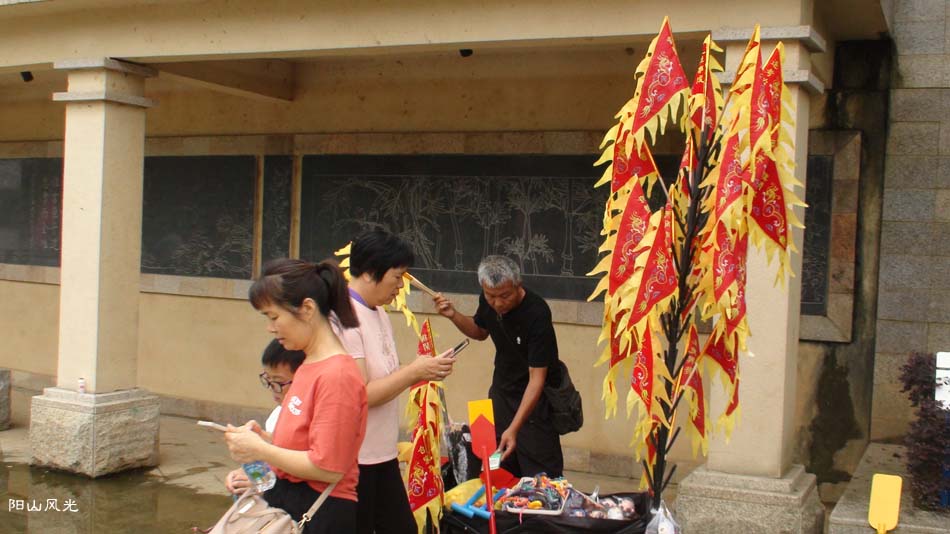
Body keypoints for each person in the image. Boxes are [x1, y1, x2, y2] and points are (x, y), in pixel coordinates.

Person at [224, 258, 367, 534]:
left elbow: (328, 467)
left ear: (307, 309)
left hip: (318, 513)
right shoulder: (309, 364)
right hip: (292, 501)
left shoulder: (337, 375)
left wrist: (260, 450)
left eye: (274, 317)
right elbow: (306, 445)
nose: (270, 328)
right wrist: (264, 440)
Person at [334, 229, 457, 534]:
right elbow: (362, 394)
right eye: (397, 276)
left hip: (382, 453)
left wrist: (424, 368)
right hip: (355, 459)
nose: (401, 286)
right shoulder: (344, 317)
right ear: (370, 272)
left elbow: (388, 375)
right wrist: (414, 372)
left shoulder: (378, 312)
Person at [433, 255, 564, 478]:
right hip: (502, 392)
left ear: (518, 284)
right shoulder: (489, 300)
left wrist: (514, 428)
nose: (498, 303)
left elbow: (537, 378)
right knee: (502, 465)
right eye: (491, 296)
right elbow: (479, 331)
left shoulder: (537, 312)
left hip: (535, 400)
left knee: (541, 473)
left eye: (505, 296)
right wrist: (453, 315)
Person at [224, 339, 306, 495]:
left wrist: (262, 483)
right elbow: (271, 463)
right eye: (268, 379)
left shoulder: (311, 419)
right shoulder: (277, 415)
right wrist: (243, 474)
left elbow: (307, 468)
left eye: (279, 382)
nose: (272, 388)